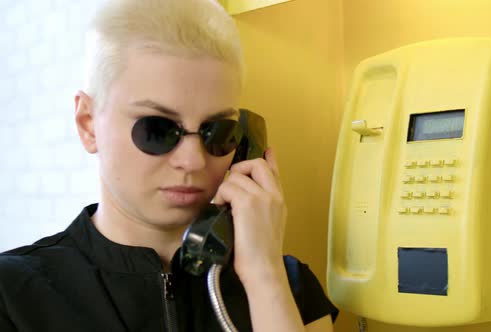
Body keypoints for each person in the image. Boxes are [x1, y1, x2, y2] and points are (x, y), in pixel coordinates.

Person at [0, 0, 338, 331]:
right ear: (88, 124)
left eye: (216, 131)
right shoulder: (12, 295)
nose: (192, 161)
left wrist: (265, 278)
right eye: (157, 130)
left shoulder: (288, 285)